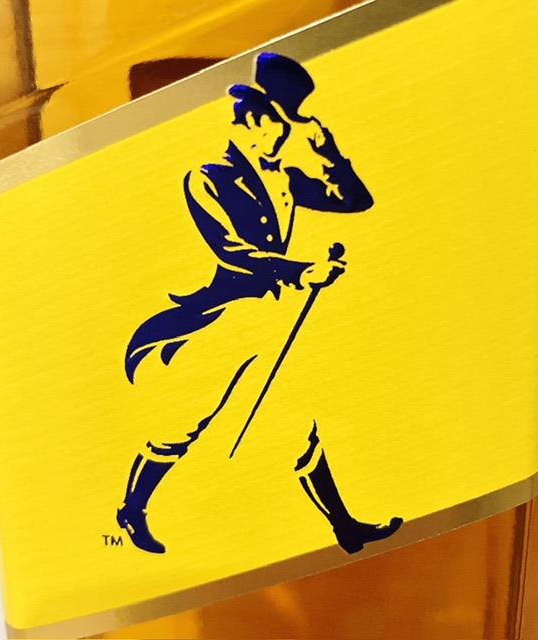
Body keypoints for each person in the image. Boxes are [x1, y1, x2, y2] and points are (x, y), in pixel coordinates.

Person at [118, 52, 402, 555]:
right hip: (224, 317)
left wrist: (326, 147)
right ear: (248, 121)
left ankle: (344, 527)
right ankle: (131, 511)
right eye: (273, 124)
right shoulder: (208, 177)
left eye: (285, 126)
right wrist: (301, 271)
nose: (279, 135)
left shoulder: (285, 179)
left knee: (298, 424)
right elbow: (231, 251)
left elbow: (355, 200)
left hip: (272, 316)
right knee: (185, 421)